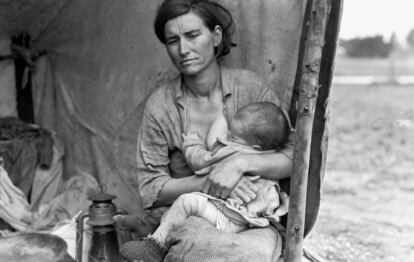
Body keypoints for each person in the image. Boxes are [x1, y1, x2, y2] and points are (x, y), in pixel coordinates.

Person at [119, 0, 294, 260]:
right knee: (195, 249)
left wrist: (239, 164)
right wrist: (210, 182)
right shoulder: (161, 105)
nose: (183, 49)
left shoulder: (251, 88)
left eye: (192, 35)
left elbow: (294, 159)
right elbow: (151, 189)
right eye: (172, 41)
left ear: (215, 36)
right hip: (194, 214)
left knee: (252, 253)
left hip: (254, 219)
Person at [120, 102, 290, 262]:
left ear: (255, 146)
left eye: (232, 136)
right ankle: (149, 231)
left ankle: (154, 247)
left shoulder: (233, 152)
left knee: (186, 203)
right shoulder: (271, 157)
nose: (227, 138)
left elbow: (200, 160)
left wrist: (192, 143)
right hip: (255, 220)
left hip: (231, 219)